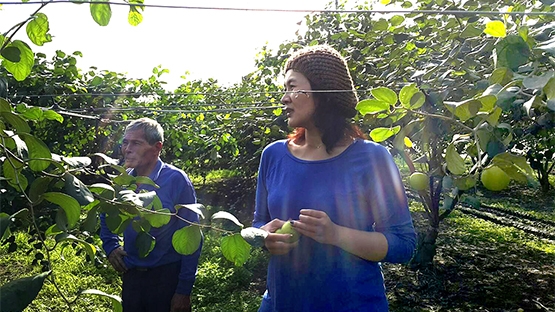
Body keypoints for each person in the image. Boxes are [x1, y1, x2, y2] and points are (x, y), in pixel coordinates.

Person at [252, 45, 417, 312]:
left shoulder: (372, 158)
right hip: (282, 303)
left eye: (292, 87)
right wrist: (264, 237)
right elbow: (259, 222)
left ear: (323, 92)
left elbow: (403, 244)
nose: (284, 98)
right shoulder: (273, 155)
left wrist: (335, 234)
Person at [100, 117, 201, 312]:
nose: (127, 148)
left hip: (166, 276)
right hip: (132, 275)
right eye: (125, 142)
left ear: (157, 148)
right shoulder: (122, 180)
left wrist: (183, 290)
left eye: (136, 143)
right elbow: (106, 213)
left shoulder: (176, 180)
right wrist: (110, 245)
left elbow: (192, 233)